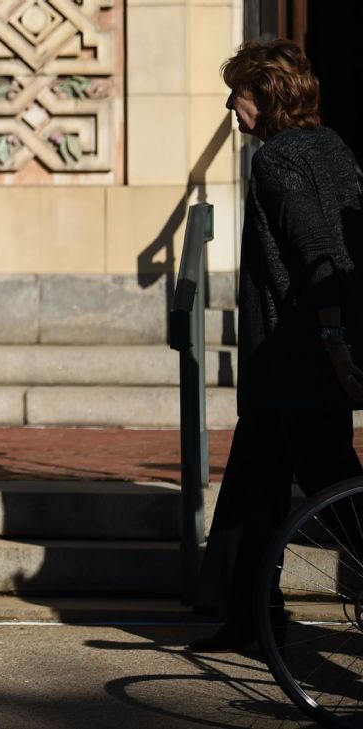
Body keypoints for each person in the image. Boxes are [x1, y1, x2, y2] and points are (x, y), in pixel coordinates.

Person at [189, 38, 363, 652]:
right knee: (255, 483)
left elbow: (318, 250)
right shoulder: (333, 147)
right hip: (298, 354)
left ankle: (250, 616)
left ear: (264, 95)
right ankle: (247, 616)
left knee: (329, 480)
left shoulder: (277, 160)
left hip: (297, 354)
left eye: (235, 93)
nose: (230, 108)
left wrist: (335, 341)